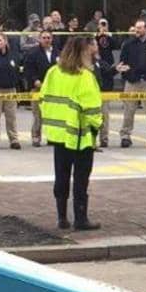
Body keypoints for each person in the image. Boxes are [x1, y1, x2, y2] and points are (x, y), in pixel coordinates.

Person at [40, 35, 104, 231]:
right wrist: (96, 126)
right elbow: (93, 109)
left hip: (59, 135)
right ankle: (81, 218)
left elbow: (43, 99)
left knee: (61, 175)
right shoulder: (85, 77)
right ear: (81, 53)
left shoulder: (53, 72)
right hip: (81, 136)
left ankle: (61, 218)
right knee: (81, 178)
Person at [117, 18, 146, 148]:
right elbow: (122, 63)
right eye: (136, 28)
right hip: (132, 82)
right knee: (128, 110)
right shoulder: (128, 44)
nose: (137, 30)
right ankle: (125, 136)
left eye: (140, 28)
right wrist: (128, 76)